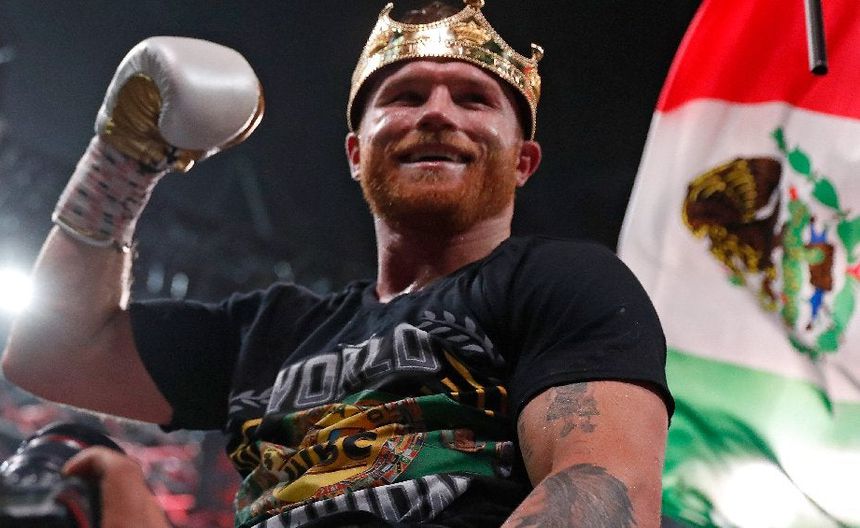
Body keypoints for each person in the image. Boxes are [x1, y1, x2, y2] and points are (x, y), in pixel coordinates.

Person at [3, 1, 673, 526]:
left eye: (474, 99)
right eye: (406, 96)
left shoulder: (562, 283)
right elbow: (53, 354)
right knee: (70, 461)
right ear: (356, 153)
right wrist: (122, 158)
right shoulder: (270, 331)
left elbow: (601, 487)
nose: (437, 113)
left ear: (523, 162)